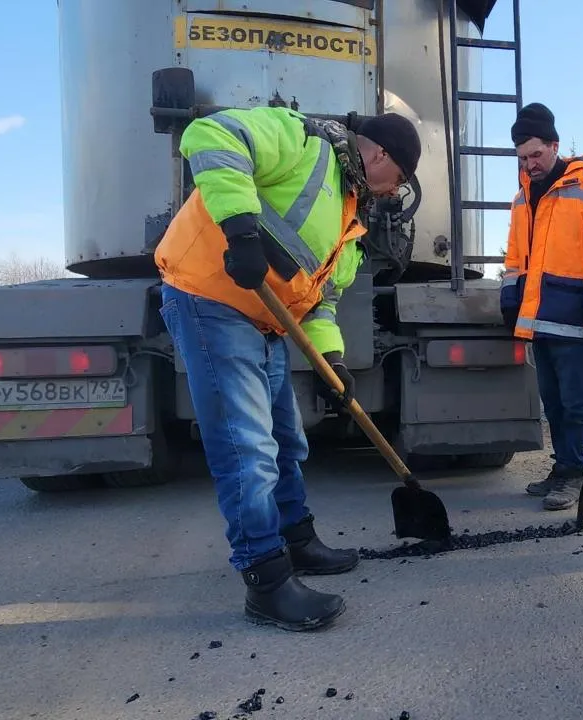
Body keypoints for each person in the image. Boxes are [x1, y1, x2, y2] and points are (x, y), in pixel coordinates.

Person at [154, 105, 422, 630]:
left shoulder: (349, 218)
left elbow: (320, 303)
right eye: (401, 179)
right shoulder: (302, 141)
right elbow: (211, 133)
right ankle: (267, 582)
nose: (395, 192)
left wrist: (334, 363)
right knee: (247, 449)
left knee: (286, 437)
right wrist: (241, 230)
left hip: (267, 321)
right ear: (381, 155)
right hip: (211, 300)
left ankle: (296, 540)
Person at [499, 102, 583, 511]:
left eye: (536, 154)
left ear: (555, 146)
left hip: (574, 312)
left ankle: (574, 473)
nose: (530, 163)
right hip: (539, 316)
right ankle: (563, 467)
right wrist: (509, 293)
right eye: (523, 157)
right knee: (552, 402)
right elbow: (516, 255)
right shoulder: (523, 197)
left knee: (574, 402)